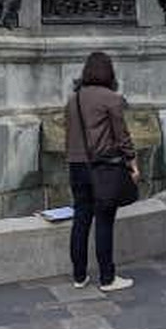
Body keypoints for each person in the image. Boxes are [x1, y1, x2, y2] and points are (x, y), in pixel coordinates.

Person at [65, 51, 140, 292]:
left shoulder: (73, 99)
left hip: (76, 166)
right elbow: (122, 135)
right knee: (104, 222)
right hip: (104, 166)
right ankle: (107, 278)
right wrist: (132, 162)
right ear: (109, 72)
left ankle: (79, 276)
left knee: (81, 220)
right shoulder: (112, 98)